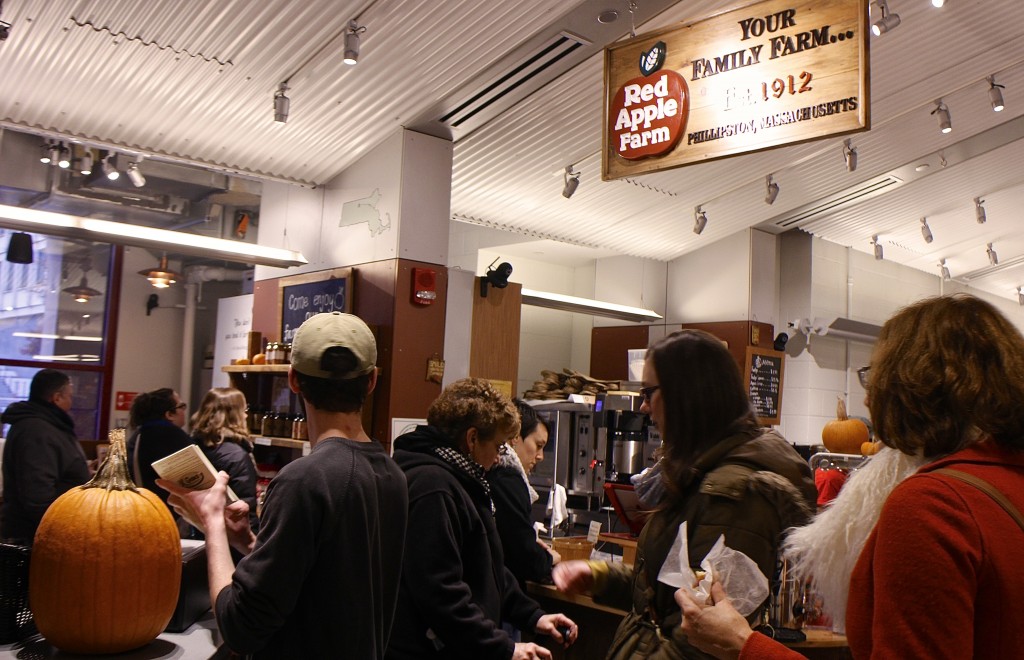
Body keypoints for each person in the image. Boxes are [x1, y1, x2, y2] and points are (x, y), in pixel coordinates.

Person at [675, 294, 1024, 658]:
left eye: (875, 379)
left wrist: (744, 646)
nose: (869, 402)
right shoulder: (1004, 485)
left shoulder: (934, 505)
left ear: (915, 387)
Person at [552, 329, 815, 659]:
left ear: (687, 395)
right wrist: (599, 576)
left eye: (649, 392)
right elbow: (668, 591)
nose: (644, 407)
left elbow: (700, 640)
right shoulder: (700, 473)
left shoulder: (733, 494)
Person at [159, 311, 408, 659]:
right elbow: (327, 580)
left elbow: (240, 625)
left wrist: (213, 522)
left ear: (292, 379)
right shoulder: (392, 473)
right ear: (372, 381)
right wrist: (248, 541)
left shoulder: (305, 479)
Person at [387, 378, 578, 660]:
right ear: (472, 438)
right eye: (499, 446)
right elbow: (440, 593)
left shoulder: (463, 480)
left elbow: (487, 565)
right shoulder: (433, 487)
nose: (501, 459)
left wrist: (532, 615)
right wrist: (505, 648)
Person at [1, 369, 89, 543]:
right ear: (57, 398)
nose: (71, 402)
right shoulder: (36, 430)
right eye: (69, 396)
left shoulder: (46, 425)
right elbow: (37, 496)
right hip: (35, 536)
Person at [488, 398, 560, 588]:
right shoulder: (507, 478)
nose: (540, 456)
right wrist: (548, 558)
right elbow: (524, 556)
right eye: (538, 445)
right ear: (515, 437)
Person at [190, 387, 259, 533]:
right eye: (243, 410)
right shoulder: (236, 455)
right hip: (227, 537)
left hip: (194, 529)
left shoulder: (191, 447)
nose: (246, 416)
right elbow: (244, 508)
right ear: (235, 415)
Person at [126, 387, 192, 516]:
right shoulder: (172, 436)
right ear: (169, 414)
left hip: (139, 509)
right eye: (182, 406)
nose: (184, 411)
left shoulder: (139, 435)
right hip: (165, 511)